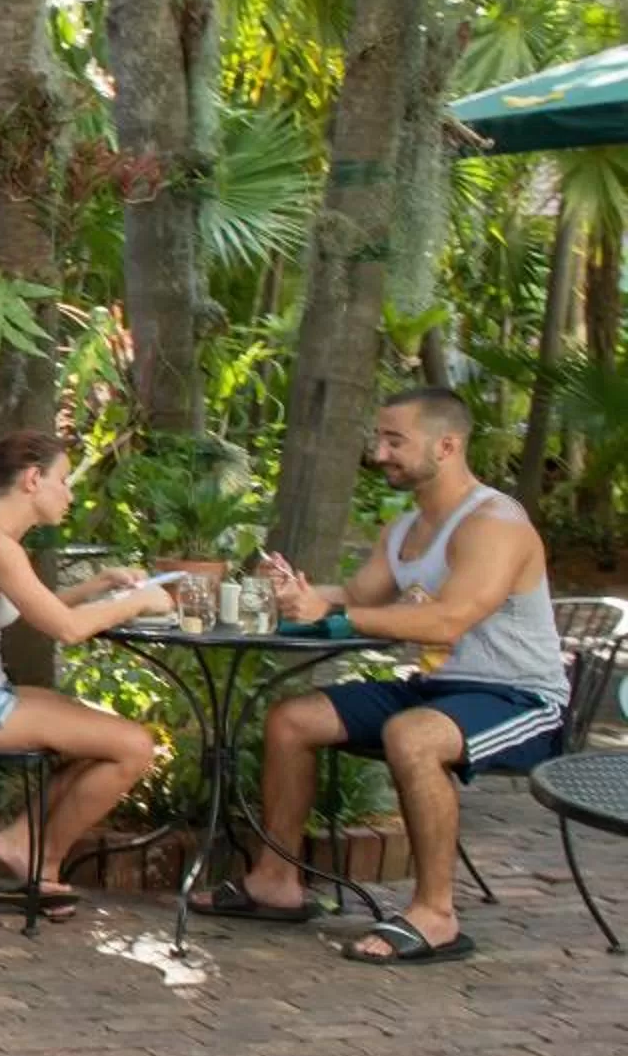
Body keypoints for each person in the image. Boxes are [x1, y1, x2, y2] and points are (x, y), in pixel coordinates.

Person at [203, 387, 566, 964]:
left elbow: (449, 620)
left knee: (412, 734)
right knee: (292, 719)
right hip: (436, 691)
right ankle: (276, 881)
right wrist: (298, 595)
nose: (379, 453)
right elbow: (352, 597)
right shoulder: (403, 530)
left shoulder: (495, 523)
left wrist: (337, 614)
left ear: (447, 446)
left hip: (519, 697)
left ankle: (437, 915)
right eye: (379, 438)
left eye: (395, 440)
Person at [0, 433, 175, 914]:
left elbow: (31, 611)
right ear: (33, 479)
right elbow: (66, 630)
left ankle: (24, 843)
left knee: (102, 734)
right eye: (64, 480)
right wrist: (138, 601)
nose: (70, 494)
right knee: (135, 746)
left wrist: (101, 584)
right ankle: (37, 857)